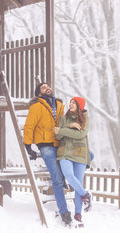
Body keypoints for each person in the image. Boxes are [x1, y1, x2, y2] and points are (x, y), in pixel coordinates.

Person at [23, 83, 72, 226]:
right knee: (56, 179)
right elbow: (29, 126)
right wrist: (28, 146)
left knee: (74, 166)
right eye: (43, 88)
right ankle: (64, 212)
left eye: (48, 86)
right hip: (46, 147)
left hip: (61, 144)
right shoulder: (36, 106)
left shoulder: (60, 106)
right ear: (39, 94)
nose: (47, 88)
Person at [53, 97, 92, 227]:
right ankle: (85, 194)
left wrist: (63, 130)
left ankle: (78, 215)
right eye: (70, 102)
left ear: (80, 105)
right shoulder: (64, 118)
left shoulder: (85, 118)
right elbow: (57, 135)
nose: (70, 104)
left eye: (74, 102)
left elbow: (80, 134)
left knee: (78, 183)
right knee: (69, 175)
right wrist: (69, 126)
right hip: (64, 152)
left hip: (80, 153)